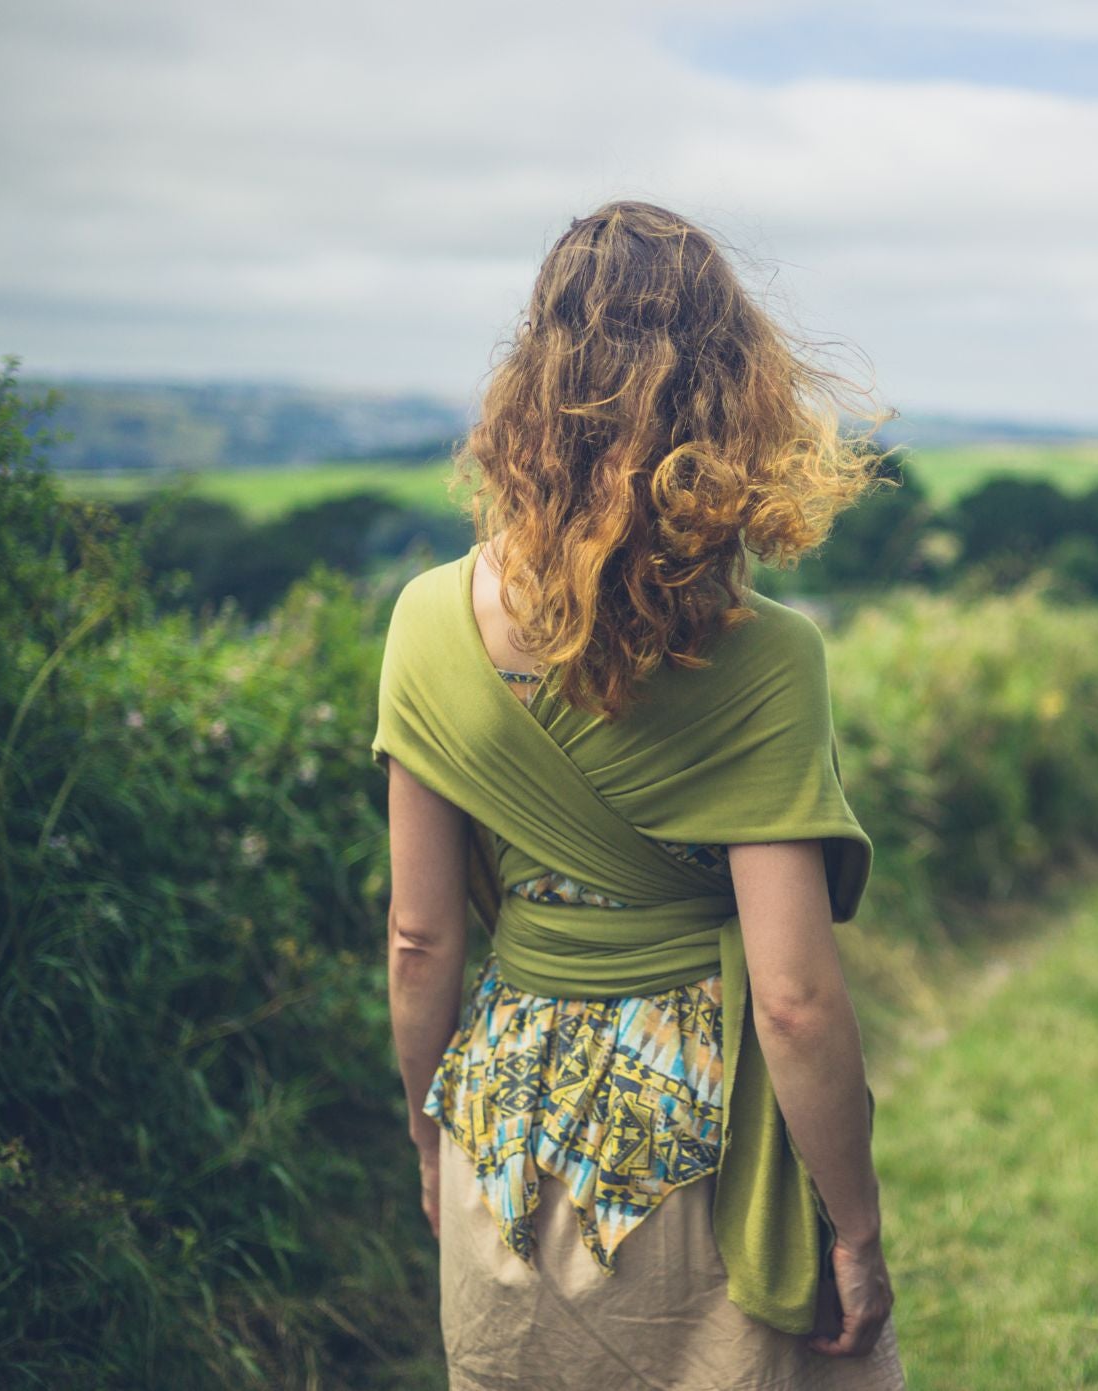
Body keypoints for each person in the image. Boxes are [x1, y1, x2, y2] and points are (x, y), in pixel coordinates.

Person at [371, 200, 907, 1390]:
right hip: (703, 1142)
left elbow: (419, 939)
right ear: (734, 398)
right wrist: (855, 1224)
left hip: (500, 1134)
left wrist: (427, 1132)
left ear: (530, 382)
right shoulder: (764, 657)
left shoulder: (422, 621)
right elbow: (797, 1001)